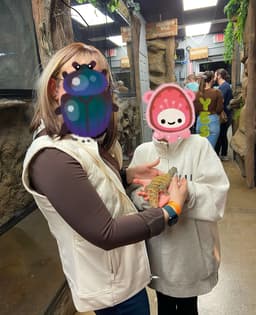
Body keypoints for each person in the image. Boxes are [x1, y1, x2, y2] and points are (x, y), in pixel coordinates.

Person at [21, 42, 188, 315]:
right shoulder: (51, 158)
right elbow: (105, 232)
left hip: (126, 276)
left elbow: (88, 189)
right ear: (54, 89)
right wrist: (171, 210)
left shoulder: (82, 138)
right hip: (110, 289)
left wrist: (125, 175)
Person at [129, 83, 230, 315]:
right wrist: (149, 200)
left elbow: (218, 194)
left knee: (187, 306)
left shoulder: (200, 146)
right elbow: (133, 195)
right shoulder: (143, 152)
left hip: (191, 253)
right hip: (158, 252)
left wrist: (187, 194)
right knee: (163, 303)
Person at [194, 70, 224, 147]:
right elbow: (219, 109)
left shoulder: (196, 94)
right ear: (211, 80)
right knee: (210, 149)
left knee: (202, 149)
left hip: (201, 120)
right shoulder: (217, 92)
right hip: (213, 120)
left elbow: (195, 111)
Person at [214, 68, 233, 160]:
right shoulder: (223, 86)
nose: (214, 76)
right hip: (225, 114)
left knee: (221, 134)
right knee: (222, 134)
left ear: (219, 75)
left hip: (224, 115)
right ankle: (223, 154)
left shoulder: (224, 87)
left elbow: (221, 101)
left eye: (215, 74)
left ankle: (220, 154)